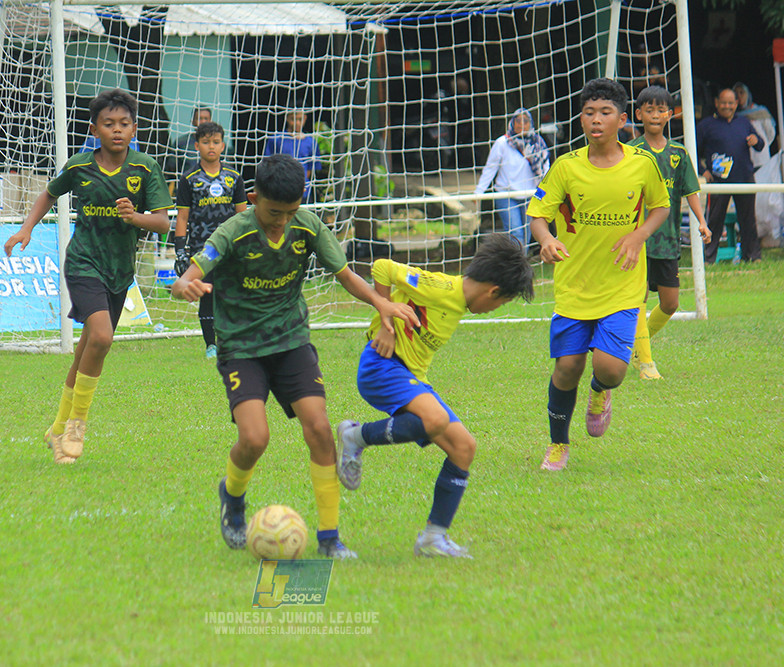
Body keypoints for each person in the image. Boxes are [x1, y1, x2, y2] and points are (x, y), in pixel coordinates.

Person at [171, 153, 419, 559]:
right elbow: (191, 274)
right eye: (273, 212)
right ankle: (232, 497)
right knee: (254, 438)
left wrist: (380, 303)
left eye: (290, 212)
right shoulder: (233, 232)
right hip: (242, 347)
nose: (282, 221)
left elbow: (346, 276)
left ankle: (329, 537)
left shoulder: (307, 226)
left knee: (320, 429)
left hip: (290, 341)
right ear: (254, 198)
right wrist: (184, 287)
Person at [335, 234, 534, 558]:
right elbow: (383, 267)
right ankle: (355, 437)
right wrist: (386, 321)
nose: (494, 309)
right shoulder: (440, 287)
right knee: (436, 419)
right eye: (501, 303)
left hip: (409, 377)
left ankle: (433, 538)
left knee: (463, 447)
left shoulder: (456, 301)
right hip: (382, 365)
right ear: (493, 291)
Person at [5, 89, 172, 464]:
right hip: (83, 264)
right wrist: (26, 228)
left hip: (119, 271)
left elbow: (161, 221)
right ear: (94, 128)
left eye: (124, 124)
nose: (117, 130)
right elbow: (48, 194)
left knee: (87, 348)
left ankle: (57, 427)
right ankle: (77, 426)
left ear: (134, 128)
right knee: (101, 337)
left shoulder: (145, 168)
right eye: (109, 124)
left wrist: (134, 218)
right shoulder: (79, 166)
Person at [526, 78, 670, 472]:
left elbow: (660, 207)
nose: (596, 120)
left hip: (623, 287)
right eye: (589, 112)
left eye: (605, 112)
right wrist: (545, 239)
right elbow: (537, 213)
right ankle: (558, 445)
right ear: (581, 118)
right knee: (567, 367)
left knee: (610, 369)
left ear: (623, 120)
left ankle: (600, 391)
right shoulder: (566, 167)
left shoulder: (642, 165)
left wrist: (638, 235)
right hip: (575, 288)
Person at [627, 86, 712, 380]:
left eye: (661, 110)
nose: (655, 115)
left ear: (670, 114)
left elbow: (690, 191)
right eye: (649, 109)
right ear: (639, 114)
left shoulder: (678, 153)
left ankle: (635, 347)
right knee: (637, 300)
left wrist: (701, 221)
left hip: (667, 240)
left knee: (671, 303)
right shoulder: (632, 152)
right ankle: (647, 364)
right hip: (637, 240)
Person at [173, 121, 248, 358]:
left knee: (232, 293)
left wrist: (247, 243)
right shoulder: (189, 179)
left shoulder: (233, 177)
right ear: (197, 145)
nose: (211, 147)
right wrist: (180, 251)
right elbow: (182, 217)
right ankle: (211, 345)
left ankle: (233, 340)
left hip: (230, 247)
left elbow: (243, 215)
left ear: (223, 145)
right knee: (206, 294)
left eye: (215, 142)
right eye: (206, 142)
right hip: (202, 248)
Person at [697, 88, 765, 264]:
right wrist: (702, 170)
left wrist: (756, 141)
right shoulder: (706, 125)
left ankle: (752, 256)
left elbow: (760, 145)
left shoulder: (744, 122)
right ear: (717, 103)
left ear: (736, 104)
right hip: (719, 181)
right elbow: (691, 151)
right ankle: (708, 259)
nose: (727, 106)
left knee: (748, 220)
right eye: (724, 102)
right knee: (714, 220)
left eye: (731, 103)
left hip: (745, 178)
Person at [474, 109, 550, 253]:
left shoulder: (538, 142)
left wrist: (544, 192)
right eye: (518, 121)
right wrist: (479, 191)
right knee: (516, 234)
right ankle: (517, 267)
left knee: (528, 234)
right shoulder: (503, 143)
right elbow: (490, 168)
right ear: (512, 122)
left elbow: (546, 169)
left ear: (531, 123)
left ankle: (520, 266)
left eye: (525, 121)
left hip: (531, 195)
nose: (522, 124)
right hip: (506, 195)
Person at [733, 82, 784, 246]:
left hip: (761, 159)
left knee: (764, 195)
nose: (739, 97)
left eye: (742, 92)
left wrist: (761, 147)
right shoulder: (735, 117)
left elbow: (770, 133)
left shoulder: (760, 112)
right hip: (744, 161)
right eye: (736, 93)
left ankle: (767, 232)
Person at [263, 110, 321, 203]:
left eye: (300, 119)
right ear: (287, 118)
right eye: (293, 119)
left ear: (305, 118)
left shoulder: (311, 142)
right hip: (280, 190)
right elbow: (268, 164)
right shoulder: (276, 139)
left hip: (303, 192)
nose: (297, 123)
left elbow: (310, 169)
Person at [165, 107, 213, 183]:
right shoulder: (181, 143)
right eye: (199, 118)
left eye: (206, 119)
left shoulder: (216, 144)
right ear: (192, 121)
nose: (203, 122)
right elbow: (171, 169)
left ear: (211, 121)